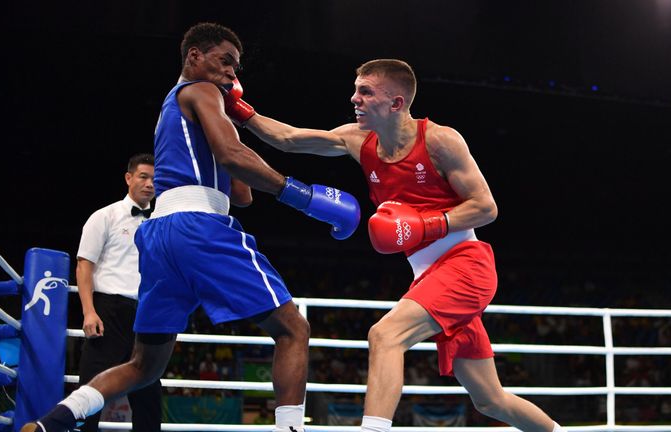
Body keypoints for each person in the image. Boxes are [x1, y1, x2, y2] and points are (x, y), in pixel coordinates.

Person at [21, 22, 360, 432]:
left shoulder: (186, 110)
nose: (233, 73)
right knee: (293, 329)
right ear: (194, 56)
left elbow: (241, 193)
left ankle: (52, 422)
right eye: (225, 61)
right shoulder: (198, 91)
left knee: (143, 366)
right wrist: (299, 194)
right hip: (199, 227)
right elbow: (233, 160)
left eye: (237, 67)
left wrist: (233, 124)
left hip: (160, 236)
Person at [230, 59, 565, 431]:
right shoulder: (357, 140)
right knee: (490, 399)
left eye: (365, 91)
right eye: (356, 89)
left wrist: (427, 224)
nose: (354, 98)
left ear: (396, 103)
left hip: (466, 265)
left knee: (385, 335)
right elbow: (288, 140)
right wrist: (239, 110)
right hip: (428, 274)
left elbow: (486, 207)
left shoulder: (439, 140)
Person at [75, 153, 162, 432]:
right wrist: (89, 311)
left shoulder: (162, 221)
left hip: (148, 314)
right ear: (128, 178)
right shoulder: (105, 216)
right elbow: (84, 265)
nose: (150, 184)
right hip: (109, 311)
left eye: (154, 178)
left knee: (149, 397)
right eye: (143, 176)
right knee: (91, 389)